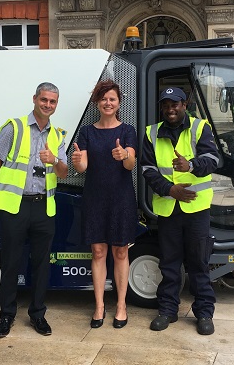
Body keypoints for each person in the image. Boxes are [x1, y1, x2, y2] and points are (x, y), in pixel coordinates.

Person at [0, 82, 69, 338]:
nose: (48, 105)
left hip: (44, 207)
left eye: (52, 101)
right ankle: (7, 316)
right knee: (11, 263)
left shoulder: (58, 135)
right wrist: (12, 188)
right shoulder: (14, 128)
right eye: (44, 100)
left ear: (56, 104)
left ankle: (38, 315)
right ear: (35, 99)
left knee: (42, 265)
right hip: (15, 206)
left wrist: (54, 160)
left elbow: (64, 172)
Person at [140, 87, 220, 335]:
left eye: (175, 104)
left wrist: (192, 164)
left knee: (199, 263)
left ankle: (204, 313)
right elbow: (147, 170)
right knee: (169, 264)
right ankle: (167, 310)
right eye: (166, 105)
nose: (170, 109)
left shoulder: (199, 128)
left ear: (184, 105)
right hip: (168, 209)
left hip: (196, 209)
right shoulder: (152, 133)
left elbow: (214, 160)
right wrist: (169, 189)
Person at [71, 79, 137, 329]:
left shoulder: (127, 130)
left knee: (120, 251)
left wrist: (125, 155)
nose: (108, 103)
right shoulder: (87, 132)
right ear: (97, 103)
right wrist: (77, 160)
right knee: (98, 252)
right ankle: (99, 305)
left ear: (119, 103)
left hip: (121, 198)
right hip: (95, 198)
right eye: (103, 98)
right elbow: (82, 167)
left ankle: (121, 305)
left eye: (112, 98)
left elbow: (131, 165)